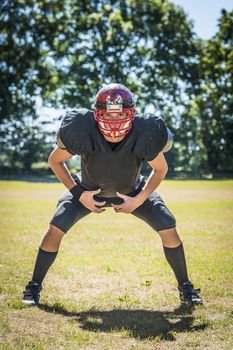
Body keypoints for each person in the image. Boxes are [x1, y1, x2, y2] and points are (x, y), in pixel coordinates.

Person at [22, 83, 202, 306]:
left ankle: (186, 287)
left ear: (132, 115)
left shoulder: (144, 132)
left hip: (132, 192)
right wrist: (78, 194)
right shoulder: (82, 129)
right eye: (108, 115)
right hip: (87, 192)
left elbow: (161, 169)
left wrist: (138, 199)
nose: (114, 121)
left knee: (168, 226)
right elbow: (54, 160)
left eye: (120, 115)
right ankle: (34, 286)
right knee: (56, 226)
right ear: (96, 115)